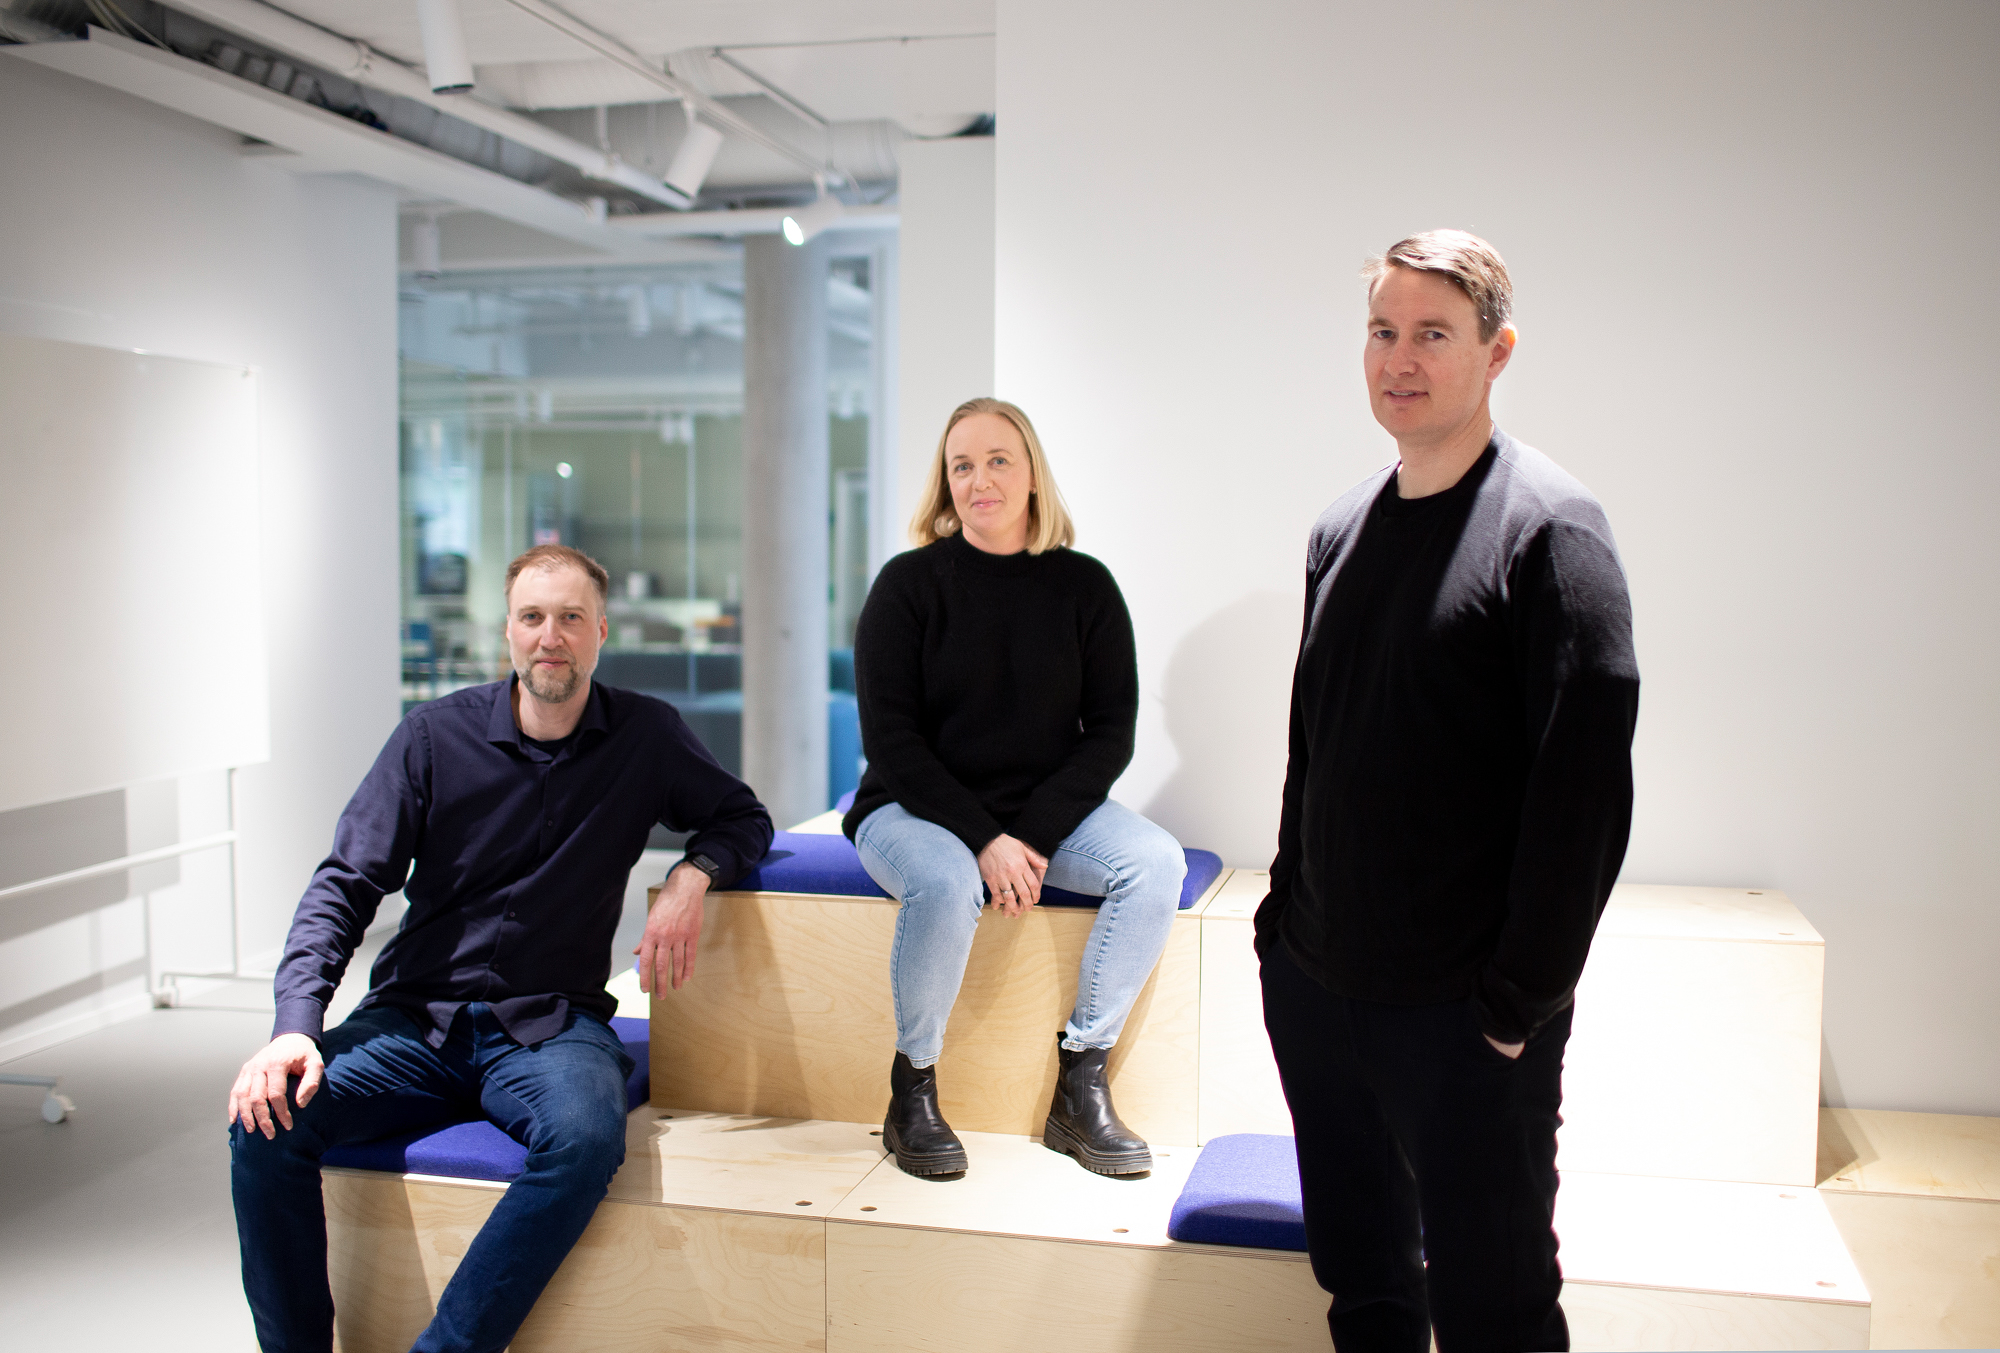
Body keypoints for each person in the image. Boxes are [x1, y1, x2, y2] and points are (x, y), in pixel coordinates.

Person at [227, 544, 772, 1353]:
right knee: (263, 1122)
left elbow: (743, 817)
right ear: (508, 633)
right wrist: (295, 1022)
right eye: (532, 617)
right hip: (415, 1023)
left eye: (571, 618)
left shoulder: (646, 736)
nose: (551, 636)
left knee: (586, 1141)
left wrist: (694, 873)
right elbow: (346, 882)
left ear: (599, 633)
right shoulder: (431, 739)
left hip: (550, 1027)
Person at [1257, 231, 1640, 1351]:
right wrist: (1282, 928)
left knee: (1495, 1310)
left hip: (1464, 1021)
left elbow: (1583, 794)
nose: (1399, 358)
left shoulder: (1550, 532)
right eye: (1382, 331)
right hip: (1321, 993)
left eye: (1432, 332)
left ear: (1495, 350)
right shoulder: (1340, 528)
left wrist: (1517, 1004)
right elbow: (1312, 747)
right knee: (1364, 1291)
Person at [843, 397, 1187, 1179]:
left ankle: (1081, 1082)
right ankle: (913, 1089)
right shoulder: (907, 586)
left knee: (1154, 864)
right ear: (945, 483)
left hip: (1038, 813)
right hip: (909, 804)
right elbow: (893, 742)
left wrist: (1028, 835)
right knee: (944, 877)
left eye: (998, 459)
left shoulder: (1084, 587)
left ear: (1032, 474)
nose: (979, 479)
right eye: (961, 465)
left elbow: (1110, 732)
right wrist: (984, 837)